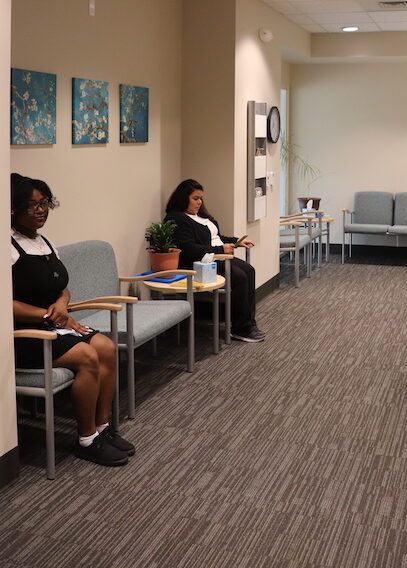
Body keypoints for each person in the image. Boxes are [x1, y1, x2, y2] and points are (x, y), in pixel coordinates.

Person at [11, 173, 135, 466]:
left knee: (106, 347)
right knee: (88, 357)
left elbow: (61, 286)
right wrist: (49, 314)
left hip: (54, 324)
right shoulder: (8, 247)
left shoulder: (44, 242)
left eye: (44, 203)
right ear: (13, 208)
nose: (40, 210)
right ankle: (86, 439)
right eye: (31, 205)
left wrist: (62, 304)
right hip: (25, 334)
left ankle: (103, 427)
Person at [164, 179, 265, 343]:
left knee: (249, 270)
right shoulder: (176, 219)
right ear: (183, 198)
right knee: (239, 277)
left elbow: (216, 237)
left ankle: (248, 323)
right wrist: (219, 250)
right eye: (195, 198)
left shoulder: (200, 216)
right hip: (202, 262)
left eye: (201, 198)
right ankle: (240, 328)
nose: (199, 202)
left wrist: (236, 241)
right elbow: (189, 249)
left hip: (217, 256)